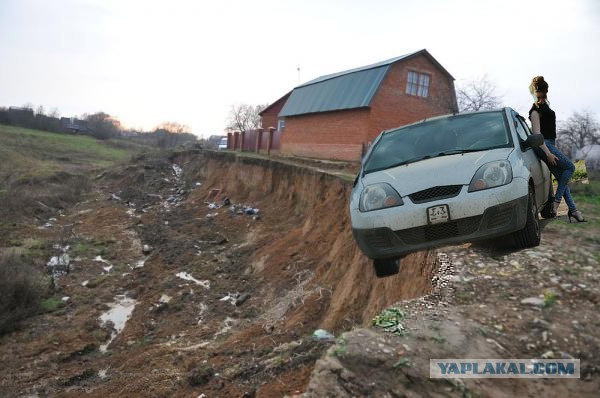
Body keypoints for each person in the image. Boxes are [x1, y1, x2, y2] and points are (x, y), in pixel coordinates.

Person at [528, 76, 585, 223]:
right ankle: (556, 202)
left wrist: (551, 150)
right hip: (543, 146)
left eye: (544, 92)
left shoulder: (545, 108)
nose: (541, 95)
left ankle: (573, 211)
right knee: (570, 167)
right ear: (534, 92)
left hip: (549, 145)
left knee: (562, 178)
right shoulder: (535, 111)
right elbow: (537, 136)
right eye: (538, 92)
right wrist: (548, 154)